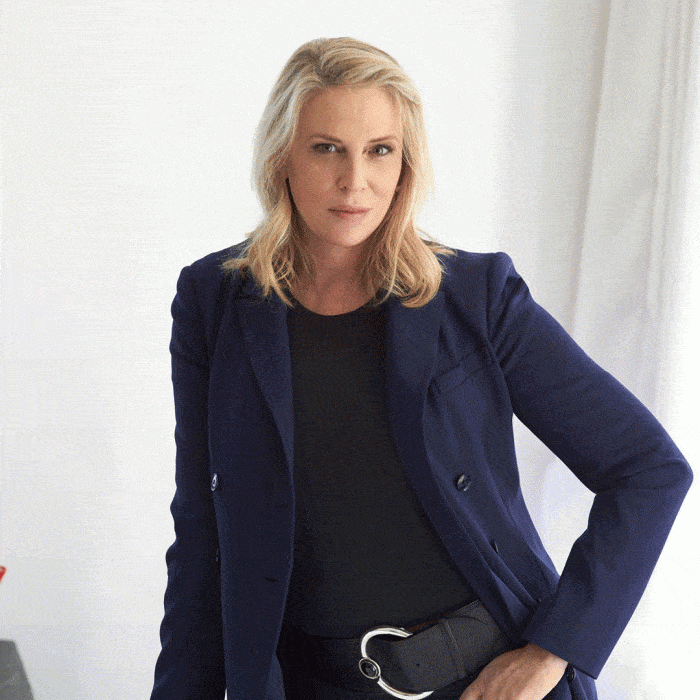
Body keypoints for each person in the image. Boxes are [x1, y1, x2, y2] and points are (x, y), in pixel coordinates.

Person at [150, 37, 692, 700]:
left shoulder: (476, 296)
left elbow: (648, 469)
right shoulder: (214, 302)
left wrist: (553, 652)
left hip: (484, 680)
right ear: (282, 155)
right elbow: (201, 535)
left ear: (406, 162)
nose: (355, 181)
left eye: (380, 150)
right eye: (327, 148)